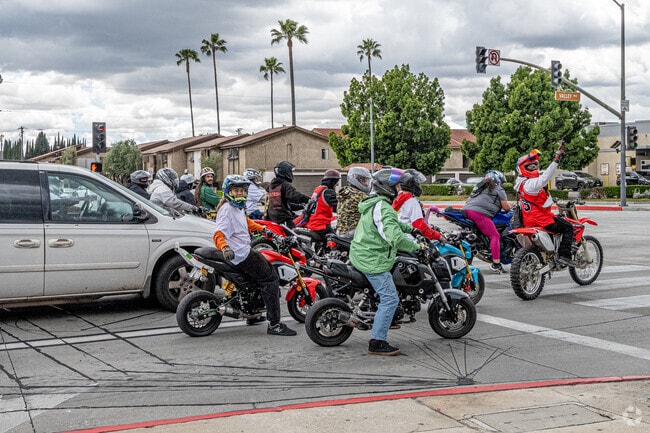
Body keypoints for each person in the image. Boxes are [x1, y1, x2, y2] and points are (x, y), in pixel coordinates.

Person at [213, 174, 297, 336]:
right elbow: (218, 234)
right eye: (236, 191)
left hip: (241, 252)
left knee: (256, 279)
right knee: (271, 279)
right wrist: (225, 248)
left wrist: (265, 230)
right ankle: (274, 324)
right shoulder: (227, 210)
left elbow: (247, 223)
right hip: (241, 254)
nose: (240, 194)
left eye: (242, 191)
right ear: (228, 191)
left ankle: (253, 314)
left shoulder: (235, 208)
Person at [349, 168, 421, 356]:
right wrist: (417, 248)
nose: (399, 189)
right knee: (390, 298)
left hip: (364, 253)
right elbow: (395, 237)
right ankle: (377, 341)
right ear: (386, 187)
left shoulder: (377, 204)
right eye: (396, 186)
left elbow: (391, 223)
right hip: (373, 259)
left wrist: (412, 229)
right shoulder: (384, 207)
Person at [514, 145, 574, 267]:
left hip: (528, 220)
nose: (534, 168)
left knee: (558, 220)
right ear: (522, 169)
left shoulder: (520, 183)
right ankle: (564, 256)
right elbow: (545, 177)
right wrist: (556, 160)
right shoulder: (531, 184)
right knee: (568, 227)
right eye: (530, 166)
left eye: (535, 165)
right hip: (542, 220)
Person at [462, 170, 512, 274]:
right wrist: (512, 205)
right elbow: (506, 207)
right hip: (479, 213)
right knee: (495, 236)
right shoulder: (499, 189)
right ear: (498, 180)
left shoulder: (480, 187)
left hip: (467, 211)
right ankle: (496, 264)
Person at [392, 168, 443, 242]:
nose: (419, 185)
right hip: (413, 241)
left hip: (401, 239)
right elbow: (420, 227)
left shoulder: (399, 199)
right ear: (411, 184)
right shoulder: (412, 202)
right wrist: (438, 236)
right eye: (418, 183)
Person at [266, 161, 310, 228]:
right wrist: (311, 199)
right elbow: (295, 196)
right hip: (284, 219)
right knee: (304, 226)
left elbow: (284, 204)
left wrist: (301, 206)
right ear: (286, 172)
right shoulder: (284, 185)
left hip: (273, 217)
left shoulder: (271, 186)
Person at [304, 169, 340, 239]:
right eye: (336, 182)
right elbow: (339, 207)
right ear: (332, 182)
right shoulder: (328, 192)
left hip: (312, 223)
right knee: (339, 242)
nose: (337, 184)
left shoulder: (318, 189)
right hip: (321, 225)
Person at [336, 166, 372, 236]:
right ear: (355, 179)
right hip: (353, 231)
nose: (366, 183)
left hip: (340, 231)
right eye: (364, 180)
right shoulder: (360, 195)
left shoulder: (344, 191)